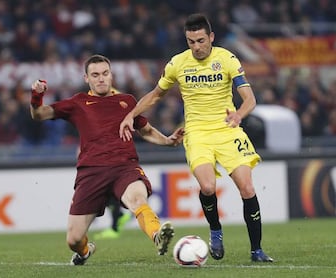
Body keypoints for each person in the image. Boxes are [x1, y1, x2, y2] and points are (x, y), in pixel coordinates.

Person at [119, 13, 273, 263]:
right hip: (198, 133)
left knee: (246, 187)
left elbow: (249, 99)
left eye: (201, 40)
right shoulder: (178, 63)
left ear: (211, 37)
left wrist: (238, 116)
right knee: (208, 187)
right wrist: (130, 115)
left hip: (227, 129)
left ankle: (256, 250)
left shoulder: (226, 58)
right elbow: (156, 95)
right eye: (191, 41)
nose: (197, 47)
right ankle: (215, 231)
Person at [30, 54, 184, 265]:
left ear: (111, 75)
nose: (101, 78)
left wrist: (168, 141)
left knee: (138, 199)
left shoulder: (127, 101)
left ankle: (158, 236)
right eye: (95, 75)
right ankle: (84, 251)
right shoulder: (78, 103)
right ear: (87, 78)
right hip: (91, 173)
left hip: (125, 167)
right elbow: (39, 114)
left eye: (105, 73)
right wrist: (36, 96)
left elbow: (146, 131)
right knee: (74, 239)